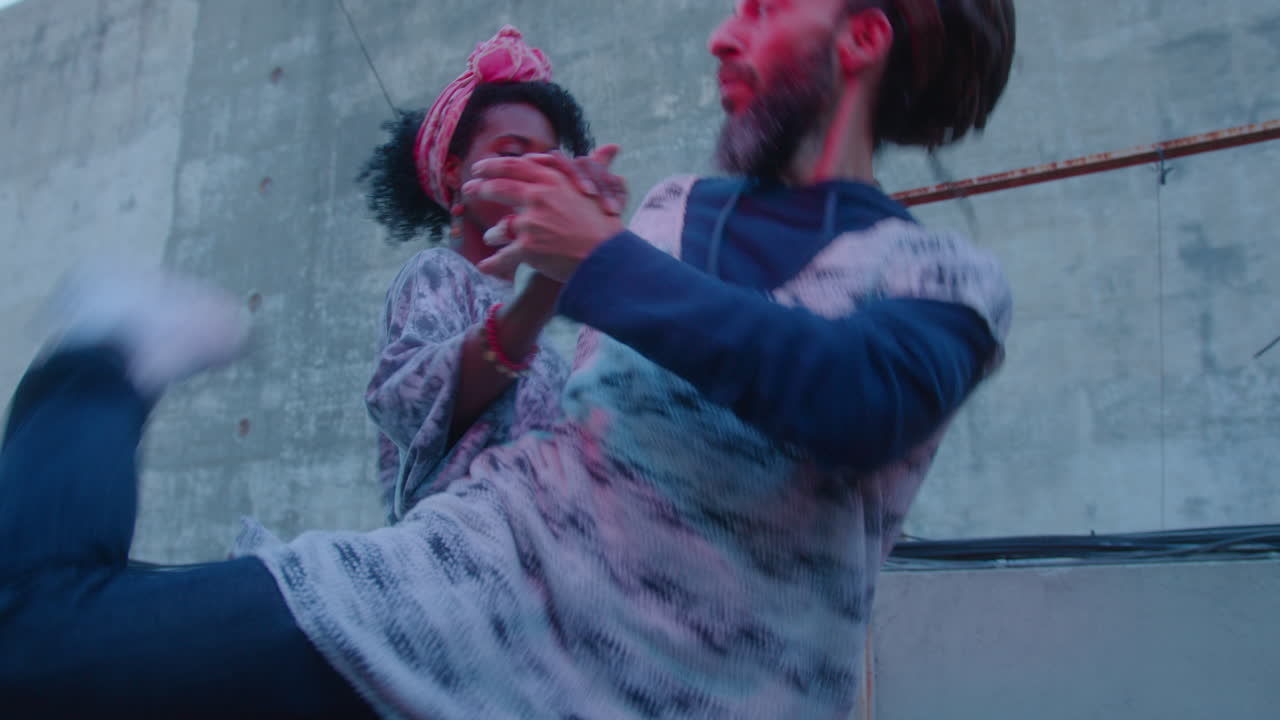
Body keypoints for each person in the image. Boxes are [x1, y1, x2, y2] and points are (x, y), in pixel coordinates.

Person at [0, 1, 1016, 718]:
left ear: (863, 37)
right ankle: (103, 357)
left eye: (763, 5)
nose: (721, 32)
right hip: (457, 597)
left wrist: (587, 257)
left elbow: (852, 399)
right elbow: (434, 408)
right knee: (38, 646)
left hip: (686, 687)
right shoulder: (662, 216)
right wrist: (574, 265)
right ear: (448, 179)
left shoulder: (941, 276)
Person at [354, 26, 608, 522]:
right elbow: (407, 401)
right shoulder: (436, 274)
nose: (534, 175)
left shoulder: (548, 344)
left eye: (549, 162)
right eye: (512, 152)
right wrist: (546, 291)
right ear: (453, 171)